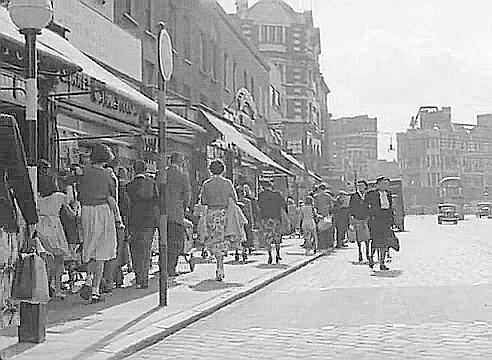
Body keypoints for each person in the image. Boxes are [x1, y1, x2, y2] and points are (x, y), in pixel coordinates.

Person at [77, 144, 118, 303]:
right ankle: (95, 291)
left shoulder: (83, 171)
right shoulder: (108, 175)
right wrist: (118, 219)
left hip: (86, 210)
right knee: (101, 252)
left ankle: (88, 279)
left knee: (90, 247)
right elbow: (112, 197)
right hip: (102, 211)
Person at [36, 175, 75, 299]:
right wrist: (69, 185)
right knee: (58, 259)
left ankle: (46, 285)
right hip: (54, 226)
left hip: (39, 226)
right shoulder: (58, 197)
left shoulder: (36, 197)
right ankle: (56, 287)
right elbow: (71, 201)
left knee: (44, 258)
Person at [199, 159, 238, 281]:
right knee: (222, 239)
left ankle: (218, 263)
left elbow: (203, 201)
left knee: (213, 239)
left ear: (210, 170)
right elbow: (235, 199)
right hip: (223, 213)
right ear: (223, 170)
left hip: (211, 213)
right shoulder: (227, 183)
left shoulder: (207, 183)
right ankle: (220, 266)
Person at [126, 160, 159, 289]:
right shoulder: (152, 184)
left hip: (134, 221)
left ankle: (138, 274)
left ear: (134, 170)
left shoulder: (129, 186)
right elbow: (157, 200)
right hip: (149, 220)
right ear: (145, 169)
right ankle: (144, 277)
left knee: (135, 249)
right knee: (146, 249)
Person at [164, 153, 191, 278]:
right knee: (175, 241)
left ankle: (162, 266)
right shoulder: (182, 175)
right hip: (176, 213)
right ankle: (171, 268)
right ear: (180, 162)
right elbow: (187, 196)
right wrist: (184, 207)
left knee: (164, 241)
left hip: (162, 213)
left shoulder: (162, 173)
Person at [366, 176, 394, 271]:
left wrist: (392, 221)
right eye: (383, 184)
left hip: (385, 219)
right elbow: (366, 206)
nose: (385, 186)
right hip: (375, 220)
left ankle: (382, 262)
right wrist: (370, 216)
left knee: (385, 242)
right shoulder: (371, 194)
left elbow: (390, 208)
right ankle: (371, 257)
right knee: (375, 240)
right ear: (377, 185)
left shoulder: (388, 194)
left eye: (386, 184)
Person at [257, 181, 286, 264]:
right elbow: (283, 205)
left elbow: (259, 206)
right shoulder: (277, 195)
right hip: (276, 218)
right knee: (277, 237)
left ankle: (269, 255)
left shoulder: (261, 195)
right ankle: (277, 254)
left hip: (265, 219)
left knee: (268, 237)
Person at [350, 180, 371, 262]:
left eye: (362, 186)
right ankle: (360, 253)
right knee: (359, 237)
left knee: (367, 237)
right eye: (359, 186)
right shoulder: (354, 196)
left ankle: (367, 253)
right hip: (357, 218)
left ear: (365, 186)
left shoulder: (368, 195)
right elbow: (351, 207)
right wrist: (352, 216)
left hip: (366, 218)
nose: (360, 187)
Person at [314, 183, 335, 249]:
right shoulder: (328, 196)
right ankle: (328, 244)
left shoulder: (316, 196)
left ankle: (321, 244)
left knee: (319, 230)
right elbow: (332, 205)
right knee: (327, 229)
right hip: (326, 215)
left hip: (318, 215)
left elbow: (315, 206)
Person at [236, 186, 253, 261]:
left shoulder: (234, 201)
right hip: (245, 220)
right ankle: (243, 251)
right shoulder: (247, 201)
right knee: (245, 236)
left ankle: (238, 251)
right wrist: (251, 222)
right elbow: (249, 212)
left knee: (238, 236)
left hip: (238, 220)